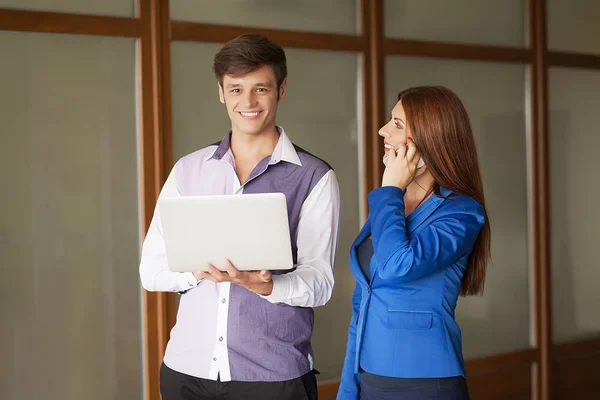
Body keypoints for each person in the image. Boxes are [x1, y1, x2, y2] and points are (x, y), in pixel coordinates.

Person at [140, 33, 340, 400]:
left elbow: (320, 283)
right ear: (221, 92)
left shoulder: (314, 177)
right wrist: (196, 271)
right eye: (235, 89)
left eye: (260, 89)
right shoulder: (187, 170)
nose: (247, 102)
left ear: (281, 90)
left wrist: (266, 286)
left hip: (273, 377)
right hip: (187, 371)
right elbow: (151, 270)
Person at [337, 86, 491, 400]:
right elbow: (362, 305)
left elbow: (397, 265)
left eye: (397, 124)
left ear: (431, 137)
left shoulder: (461, 212)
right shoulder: (394, 202)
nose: (383, 130)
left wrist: (391, 188)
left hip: (425, 382)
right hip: (368, 376)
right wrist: (348, 389)